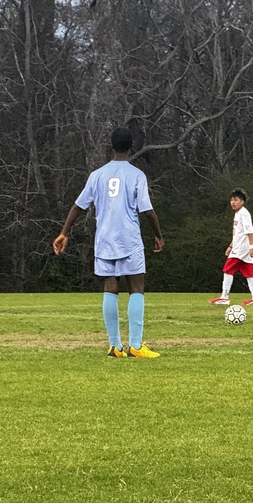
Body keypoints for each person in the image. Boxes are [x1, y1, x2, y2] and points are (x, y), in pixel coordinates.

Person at [53, 127, 165, 358]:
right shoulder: (136, 175)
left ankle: (115, 346)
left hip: (104, 239)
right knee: (136, 287)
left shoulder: (97, 175)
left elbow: (78, 206)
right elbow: (148, 210)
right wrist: (158, 234)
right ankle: (135, 345)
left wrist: (64, 233)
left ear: (111, 146)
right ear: (131, 147)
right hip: (129, 239)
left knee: (110, 287)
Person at [209, 188, 253, 306]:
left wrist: (252, 246)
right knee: (249, 272)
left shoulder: (244, 213)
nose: (232, 202)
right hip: (239, 247)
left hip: (242, 248)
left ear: (242, 201)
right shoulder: (238, 214)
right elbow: (238, 233)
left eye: (236, 200)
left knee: (228, 269)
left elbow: (250, 231)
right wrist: (230, 246)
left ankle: (224, 296)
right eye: (231, 200)